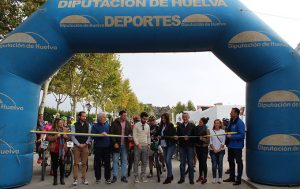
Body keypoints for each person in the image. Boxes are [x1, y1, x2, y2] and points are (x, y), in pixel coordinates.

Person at [223, 108, 245, 185]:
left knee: (239, 162)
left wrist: (231, 136)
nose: (230, 113)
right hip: (230, 146)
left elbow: (242, 135)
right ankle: (232, 177)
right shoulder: (230, 122)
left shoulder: (240, 123)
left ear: (236, 113)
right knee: (231, 161)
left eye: (231, 112)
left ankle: (238, 179)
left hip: (237, 147)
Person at [110, 110, 132, 183]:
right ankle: (115, 176)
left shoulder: (128, 123)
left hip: (125, 145)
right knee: (115, 161)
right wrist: (115, 143)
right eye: (124, 115)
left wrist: (130, 136)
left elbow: (130, 132)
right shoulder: (115, 123)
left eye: (126, 115)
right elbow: (111, 134)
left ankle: (123, 176)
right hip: (117, 145)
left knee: (124, 161)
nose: (125, 117)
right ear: (120, 115)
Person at [71, 111, 91, 186]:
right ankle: (75, 179)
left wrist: (85, 143)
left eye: (85, 116)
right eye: (83, 116)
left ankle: (84, 178)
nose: (84, 117)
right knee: (75, 163)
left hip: (85, 146)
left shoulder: (88, 125)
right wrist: (79, 144)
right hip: (77, 146)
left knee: (84, 164)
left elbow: (90, 135)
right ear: (79, 117)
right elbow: (72, 136)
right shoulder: (74, 125)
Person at [47, 118, 68, 185]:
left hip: (62, 150)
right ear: (56, 124)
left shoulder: (65, 129)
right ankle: (55, 179)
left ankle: (62, 179)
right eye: (60, 123)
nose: (61, 124)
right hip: (54, 150)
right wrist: (56, 136)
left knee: (62, 164)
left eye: (62, 123)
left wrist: (66, 137)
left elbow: (69, 138)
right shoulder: (52, 130)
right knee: (55, 165)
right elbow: (49, 138)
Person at [91, 113, 111, 184]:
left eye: (105, 117)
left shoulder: (108, 125)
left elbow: (111, 135)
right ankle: (98, 178)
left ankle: (108, 178)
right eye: (103, 117)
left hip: (107, 147)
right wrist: (100, 135)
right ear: (99, 118)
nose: (105, 118)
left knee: (107, 164)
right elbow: (92, 137)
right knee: (98, 163)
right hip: (98, 147)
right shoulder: (94, 126)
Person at [177, 112, 196, 185]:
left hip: (190, 147)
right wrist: (178, 138)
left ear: (188, 117)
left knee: (190, 164)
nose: (185, 118)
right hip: (182, 147)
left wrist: (189, 138)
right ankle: (182, 178)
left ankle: (191, 179)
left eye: (186, 117)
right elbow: (178, 136)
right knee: (182, 164)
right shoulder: (179, 126)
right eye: (183, 117)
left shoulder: (192, 126)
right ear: (182, 118)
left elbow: (195, 137)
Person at [158, 113, 177, 184]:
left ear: (167, 118)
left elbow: (170, 134)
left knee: (168, 159)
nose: (163, 120)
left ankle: (169, 177)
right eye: (162, 118)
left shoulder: (170, 125)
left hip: (170, 145)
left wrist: (162, 137)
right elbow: (158, 132)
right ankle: (171, 175)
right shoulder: (161, 125)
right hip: (163, 145)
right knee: (166, 160)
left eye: (164, 118)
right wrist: (154, 135)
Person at [133, 112, 151, 183]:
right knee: (136, 161)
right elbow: (134, 136)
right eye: (144, 119)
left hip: (145, 145)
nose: (145, 120)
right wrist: (137, 144)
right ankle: (136, 176)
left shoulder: (147, 126)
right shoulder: (136, 125)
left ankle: (143, 176)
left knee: (145, 162)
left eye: (146, 119)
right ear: (141, 118)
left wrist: (149, 144)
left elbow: (148, 136)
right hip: (138, 146)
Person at [194, 117, 210, 184]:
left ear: (204, 122)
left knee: (204, 162)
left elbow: (208, 141)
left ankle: (205, 177)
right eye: (199, 121)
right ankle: (200, 176)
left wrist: (202, 139)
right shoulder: (196, 128)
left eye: (201, 122)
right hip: (198, 147)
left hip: (204, 148)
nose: (199, 122)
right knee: (200, 162)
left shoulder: (207, 129)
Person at [210, 119, 226, 184]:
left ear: (220, 124)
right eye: (215, 123)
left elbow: (223, 142)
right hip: (212, 150)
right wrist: (214, 149)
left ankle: (220, 178)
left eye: (218, 123)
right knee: (214, 165)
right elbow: (210, 142)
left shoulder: (223, 131)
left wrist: (219, 149)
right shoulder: (212, 132)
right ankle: (214, 178)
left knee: (220, 165)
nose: (216, 124)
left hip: (221, 151)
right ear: (214, 124)